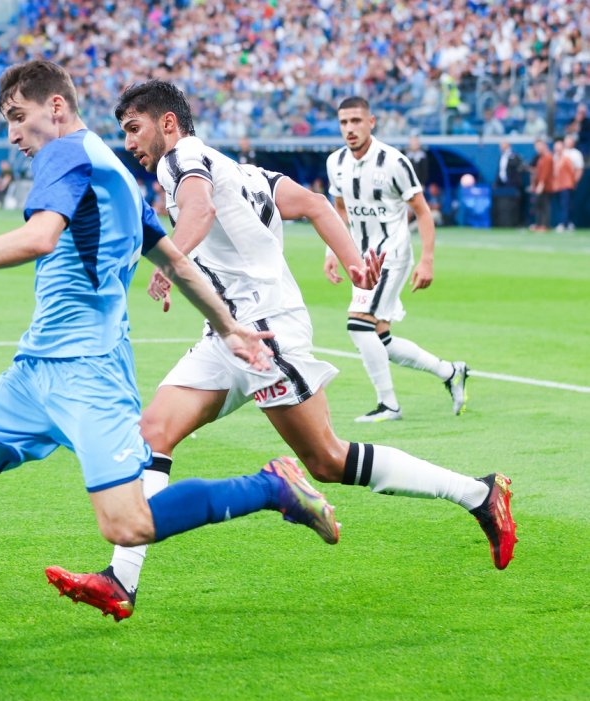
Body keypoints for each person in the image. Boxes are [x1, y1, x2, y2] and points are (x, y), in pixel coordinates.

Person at [0, 60, 342, 662]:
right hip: (34, 371)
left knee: (128, 525)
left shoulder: (66, 153)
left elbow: (40, 237)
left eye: (18, 116)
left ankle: (271, 487)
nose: (13, 134)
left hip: (89, 374)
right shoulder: (114, 173)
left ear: (55, 107)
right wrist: (230, 326)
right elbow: (175, 262)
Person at [45, 80, 518, 621]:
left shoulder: (181, 160)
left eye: (134, 128)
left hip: (265, 333)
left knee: (327, 459)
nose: (129, 142)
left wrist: (172, 263)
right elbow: (314, 204)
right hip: (228, 333)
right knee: (152, 431)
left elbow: (199, 211)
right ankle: (120, 580)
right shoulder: (242, 172)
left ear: (167, 123)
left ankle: (478, 494)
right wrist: (354, 261)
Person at [326, 97, 469, 422]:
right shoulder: (335, 162)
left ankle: (388, 405)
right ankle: (451, 372)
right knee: (380, 337)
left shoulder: (394, 162)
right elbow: (340, 211)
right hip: (360, 258)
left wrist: (427, 260)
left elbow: (422, 211)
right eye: (344, 122)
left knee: (358, 324)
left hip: (391, 255)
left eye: (356, 121)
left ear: (371, 122)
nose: (350, 128)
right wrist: (332, 251)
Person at [496, 140, 526, 227]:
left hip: (513, 185)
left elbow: (519, 168)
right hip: (503, 185)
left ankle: (517, 223)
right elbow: (500, 171)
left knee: (516, 205)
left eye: (503, 145)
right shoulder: (501, 157)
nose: (501, 147)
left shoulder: (514, 156)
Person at [550, 138, 576, 232]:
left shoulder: (566, 159)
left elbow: (572, 172)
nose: (557, 150)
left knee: (566, 205)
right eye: (556, 148)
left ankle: (564, 223)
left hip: (566, 185)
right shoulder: (554, 159)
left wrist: (571, 182)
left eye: (559, 148)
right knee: (561, 205)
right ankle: (567, 223)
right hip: (557, 186)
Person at [530, 138, 553, 233]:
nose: (537, 148)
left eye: (539, 146)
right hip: (539, 185)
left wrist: (541, 184)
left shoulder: (548, 157)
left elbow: (545, 173)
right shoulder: (541, 158)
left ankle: (545, 225)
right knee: (539, 205)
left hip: (545, 186)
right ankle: (539, 224)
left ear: (544, 145)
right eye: (536, 146)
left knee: (545, 206)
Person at [563, 133, 584, 231]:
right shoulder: (562, 152)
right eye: (566, 140)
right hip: (560, 183)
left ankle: (568, 222)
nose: (567, 142)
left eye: (569, 140)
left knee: (568, 203)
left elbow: (579, 169)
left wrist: (574, 181)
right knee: (563, 203)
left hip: (569, 182)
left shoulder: (576, 153)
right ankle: (563, 222)